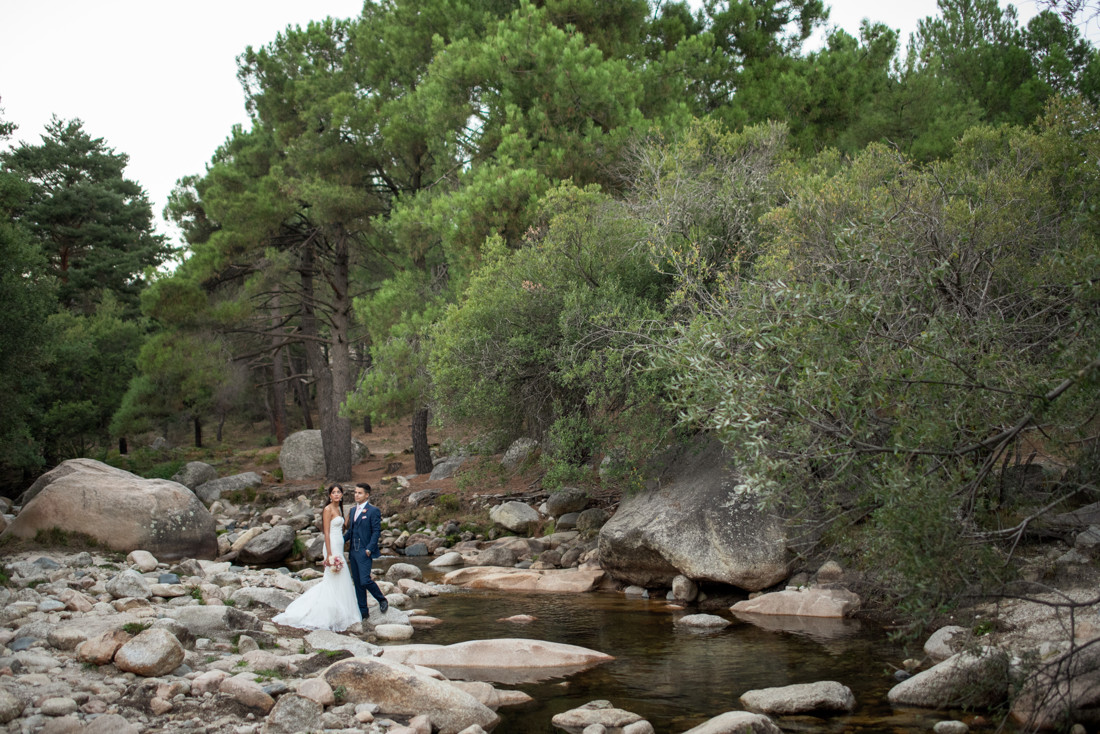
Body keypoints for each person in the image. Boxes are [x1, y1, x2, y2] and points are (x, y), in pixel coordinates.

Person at [272, 484, 362, 631]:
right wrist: (329, 554)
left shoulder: (339, 508)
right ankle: (326, 612)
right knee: (333, 576)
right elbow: (326, 532)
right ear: (330, 495)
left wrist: (351, 514)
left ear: (342, 494)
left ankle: (340, 612)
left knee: (341, 578)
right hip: (331, 545)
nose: (336, 494)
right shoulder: (328, 509)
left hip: (339, 543)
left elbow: (343, 527)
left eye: (339, 492)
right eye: (334, 492)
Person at [344, 482, 389, 616]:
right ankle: (363, 612)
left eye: (360, 493)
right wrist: (339, 541)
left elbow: (376, 531)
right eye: (355, 492)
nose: (356, 495)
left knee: (365, 580)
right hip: (353, 551)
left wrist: (369, 549)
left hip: (364, 550)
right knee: (358, 583)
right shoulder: (353, 510)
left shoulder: (373, 511)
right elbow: (351, 531)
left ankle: (382, 599)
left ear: (367, 495)